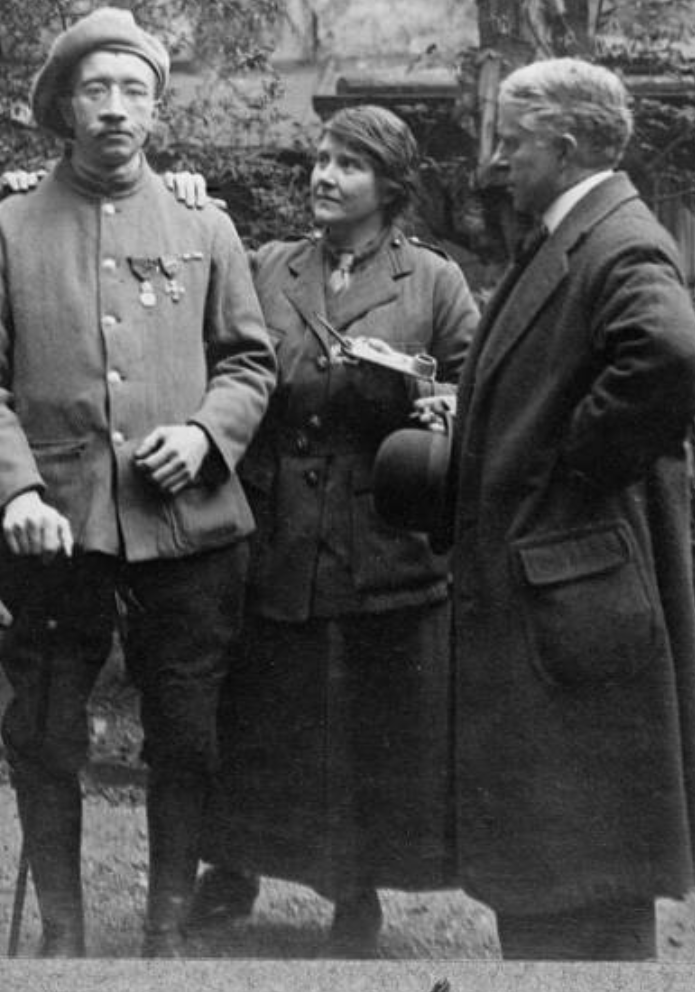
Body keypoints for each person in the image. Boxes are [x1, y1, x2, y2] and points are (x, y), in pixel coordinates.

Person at [0, 7, 276, 959]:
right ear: (63, 107)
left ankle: (167, 924)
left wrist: (209, 437)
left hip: (188, 525)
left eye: (136, 90)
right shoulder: (3, 230)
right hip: (57, 528)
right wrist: (14, 493)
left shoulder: (205, 224)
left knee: (187, 733)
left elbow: (249, 363)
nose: (117, 108)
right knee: (47, 734)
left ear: (158, 110)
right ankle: (62, 930)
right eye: (97, 89)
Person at [439, 57, 695, 960]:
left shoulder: (620, 240)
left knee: (583, 881)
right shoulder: (577, 232)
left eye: (513, 143)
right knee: (554, 871)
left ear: (563, 149)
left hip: (575, 593)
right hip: (558, 593)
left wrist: (568, 481)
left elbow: (673, 361)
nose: (497, 161)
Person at [191, 105, 480, 958]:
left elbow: (476, 382)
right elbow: (223, 359)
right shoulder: (268, 265)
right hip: (273, 530)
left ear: (389, 186)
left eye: (347, 164)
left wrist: (447, 404)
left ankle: (356, 889)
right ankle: (231, 864)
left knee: (362, 720)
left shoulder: (432, 282)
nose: (323, 176)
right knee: (257, 710)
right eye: (319, 159)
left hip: (377, 539)